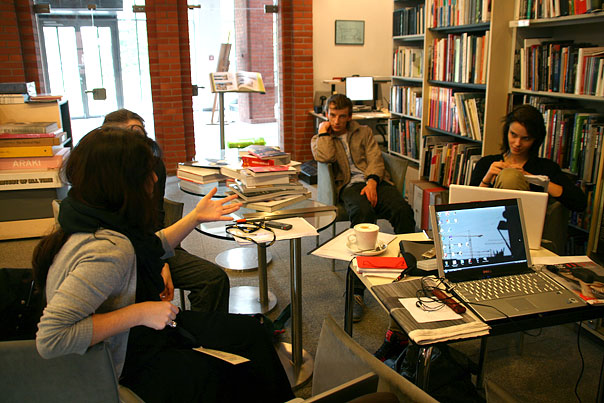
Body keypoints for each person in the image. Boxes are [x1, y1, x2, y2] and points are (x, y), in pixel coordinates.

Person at [34, 127, 294, 403]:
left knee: (250, 333)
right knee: (227, 376)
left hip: (139, 332)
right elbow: (52, 338)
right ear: (124, 182)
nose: (156, 178)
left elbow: (150, 247)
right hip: (125, 359)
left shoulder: (90, 216)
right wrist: (140, 313)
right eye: (148, 172)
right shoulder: (107, 250)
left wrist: (195, 217)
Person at [103, 109, 230, 313]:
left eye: (139, 135)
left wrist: (160, 258)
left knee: (213, 279)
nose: (153, 179)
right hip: (120, 259)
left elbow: (154, 220)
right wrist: (156, 262)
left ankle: (202, 332)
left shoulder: (153, 166)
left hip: (150, 245)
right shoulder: (103, 184)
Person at [311, 94, 415, 321]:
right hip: (348, 186)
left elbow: (375, 158)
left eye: (342, 116)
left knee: (403, 211)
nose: (337, 121)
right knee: (363, 217)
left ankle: (409, 272)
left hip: (375, 181)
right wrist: (323, 132)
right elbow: (325, 156)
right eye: (332, 115)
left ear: (350, 116)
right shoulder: (320, 138)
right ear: (327, 114)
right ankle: (356, 291)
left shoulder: (364, 132)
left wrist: (372, 182)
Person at [469, 104, 587, 212]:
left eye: (525, 138)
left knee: (511, 177)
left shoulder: (546, 168)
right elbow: (467, 206)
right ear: (506, 132)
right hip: (490, 222)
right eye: (513, 135)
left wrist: (534, 179)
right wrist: (487, 178)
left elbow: (579, 203)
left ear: (535, 139)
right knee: (509, 176)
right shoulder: (486, 163)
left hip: (530, 222)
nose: (517, 143)